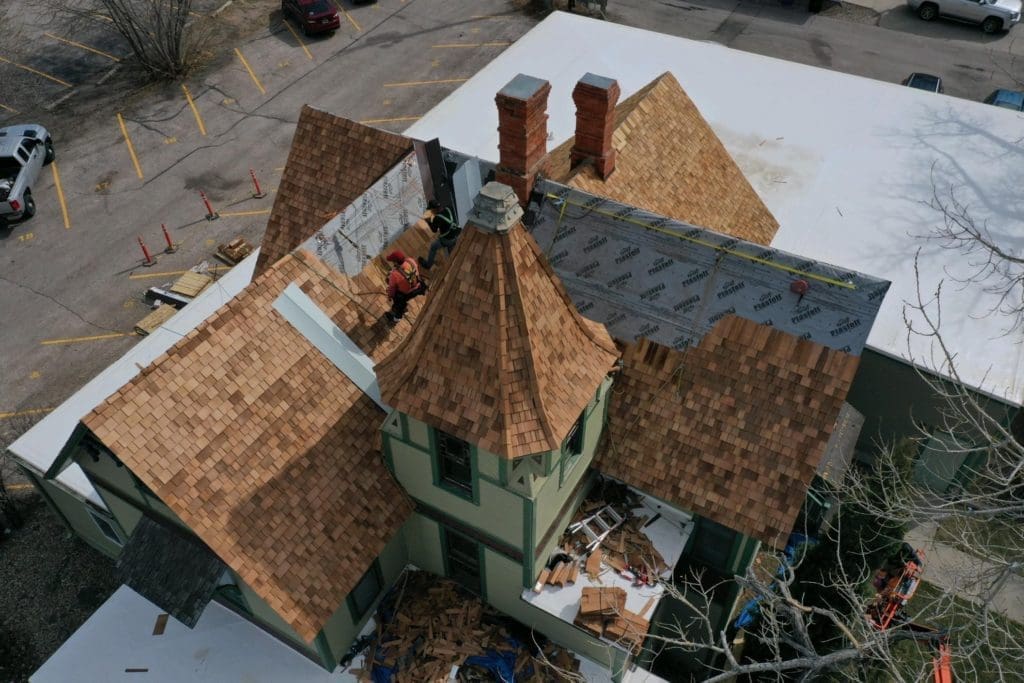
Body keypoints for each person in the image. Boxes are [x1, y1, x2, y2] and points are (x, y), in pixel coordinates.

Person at [385, 250, 426, 323]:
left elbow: (392, 289)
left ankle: (396, 318)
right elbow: (408, 271)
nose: (392, 263)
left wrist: (390, 296)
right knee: (402, 299)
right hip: (418, 286)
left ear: (396, 262)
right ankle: (401, 308)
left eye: (393, 261)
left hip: (407, 292)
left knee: (399, 303)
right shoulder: (410, 260)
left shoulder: (394, 275)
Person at [418, 198, 459, 270]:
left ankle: (428, 265)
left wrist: (428, 222)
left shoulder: (437, 218)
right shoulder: (449, 208)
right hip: (456, 236)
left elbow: (434, 230)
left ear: (434, 209)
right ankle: (452, 259)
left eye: (432, 210)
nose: (432, 212)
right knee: (450, 247)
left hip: (447, 240)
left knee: (433, 247)